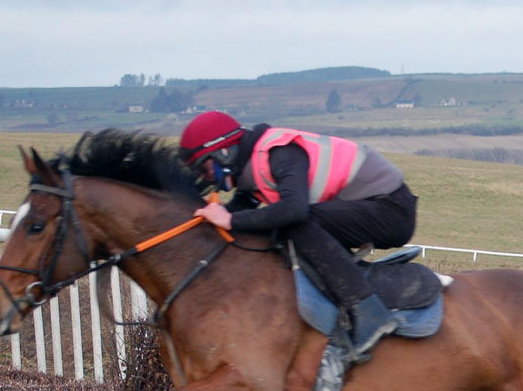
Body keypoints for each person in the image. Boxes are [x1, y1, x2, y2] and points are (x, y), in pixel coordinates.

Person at [178, 111, 418, 360]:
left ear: (224, 152)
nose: (205, 177)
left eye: (203, 168)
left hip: (392, 210)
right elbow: (242, 215)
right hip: (368, 207)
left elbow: (294, 210)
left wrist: (229, 219)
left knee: (295, 222)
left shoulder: (279, 152)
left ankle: (369, 312)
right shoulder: (250, 171)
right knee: (276, 225)